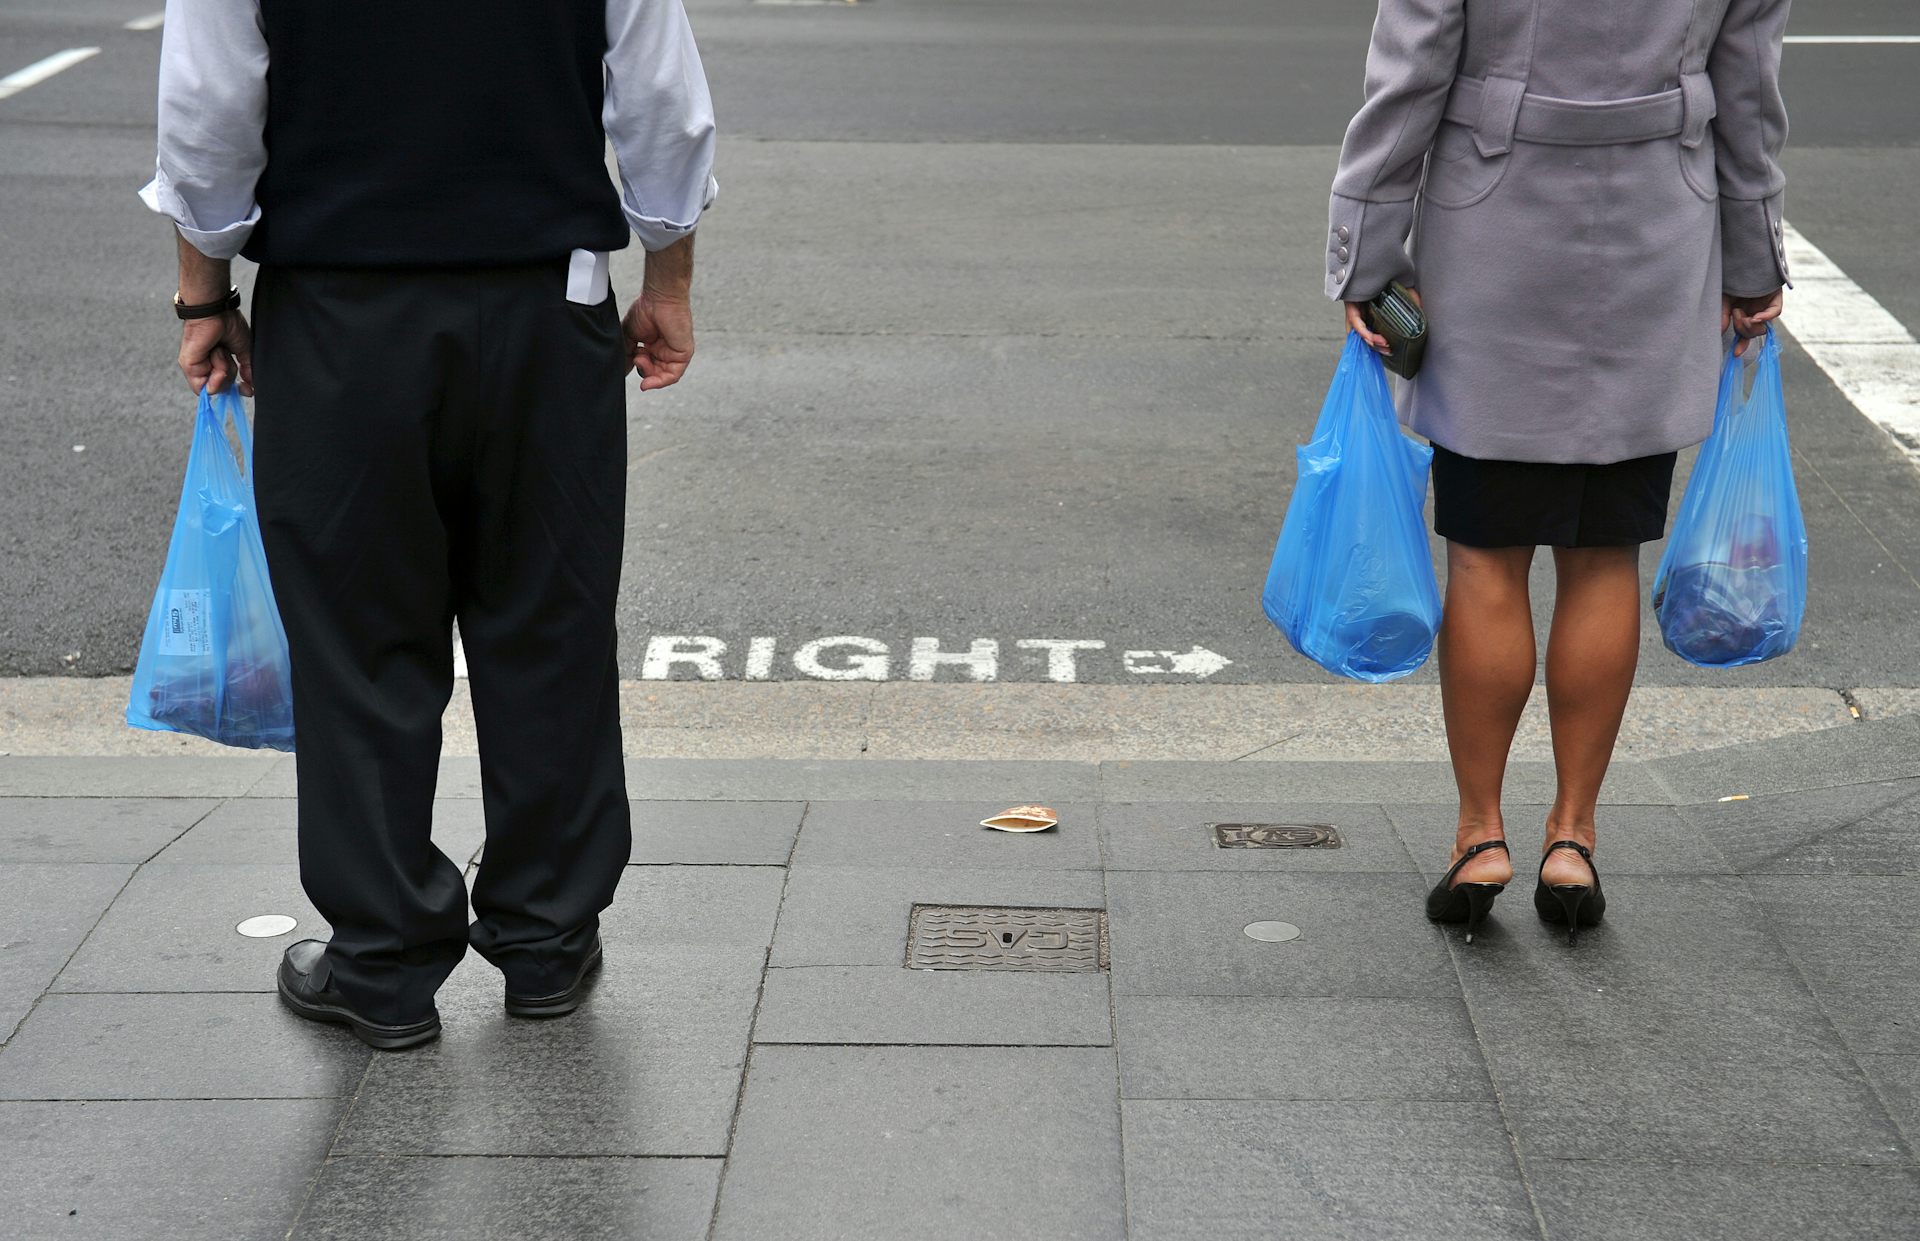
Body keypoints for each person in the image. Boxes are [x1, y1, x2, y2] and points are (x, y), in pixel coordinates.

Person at [142, 0, 717, 1047]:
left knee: (359, 637)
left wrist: (204, 292)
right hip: (549, 296)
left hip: (341, 301)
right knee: (548, 618)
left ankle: (385, 958)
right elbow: (662, 100)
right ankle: (547, 935)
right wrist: (668, 274)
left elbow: (208, 109)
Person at [1325, 0, 1789, 943]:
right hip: (1656, 231)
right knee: (1606, 552)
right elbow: (1746, 84)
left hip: (1495, 234)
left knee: (1485, 554)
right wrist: (1754, 253)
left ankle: (1479, 833)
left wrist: (1364, 251)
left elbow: (1411, 75)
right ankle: (1572, 836)